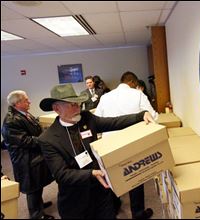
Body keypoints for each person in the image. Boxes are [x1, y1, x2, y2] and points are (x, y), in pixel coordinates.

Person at [37, 83, 155, 219]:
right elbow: (61, 174)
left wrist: (140, 116)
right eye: (72, 105)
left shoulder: (87, 118)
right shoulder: (48, 139)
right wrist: (91, 173)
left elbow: (114, 122)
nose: (78, 108)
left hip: (100, 193)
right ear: (57, 109)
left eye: (78, 104)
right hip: (75, 200)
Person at [95, 71, 158, 219]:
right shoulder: (138, 94)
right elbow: (153, 116)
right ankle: (137, 213)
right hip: (132, 143)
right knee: (135, 177)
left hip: (109, 144)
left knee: (112, 178)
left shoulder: (105, 97)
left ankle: (114, 208)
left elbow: (97, 120)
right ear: (133, 83)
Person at [1, 90, 54, 219]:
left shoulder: (22, 113)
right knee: (32, 187)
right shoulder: (11, 121)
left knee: (37, 183)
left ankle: (39, 205)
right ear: (17, 103)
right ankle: (36, 214)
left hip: (32, 156)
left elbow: (35, 130)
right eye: (26, 100)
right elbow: (25, 140)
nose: (29, 102)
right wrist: (45, 139)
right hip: (25, 159)